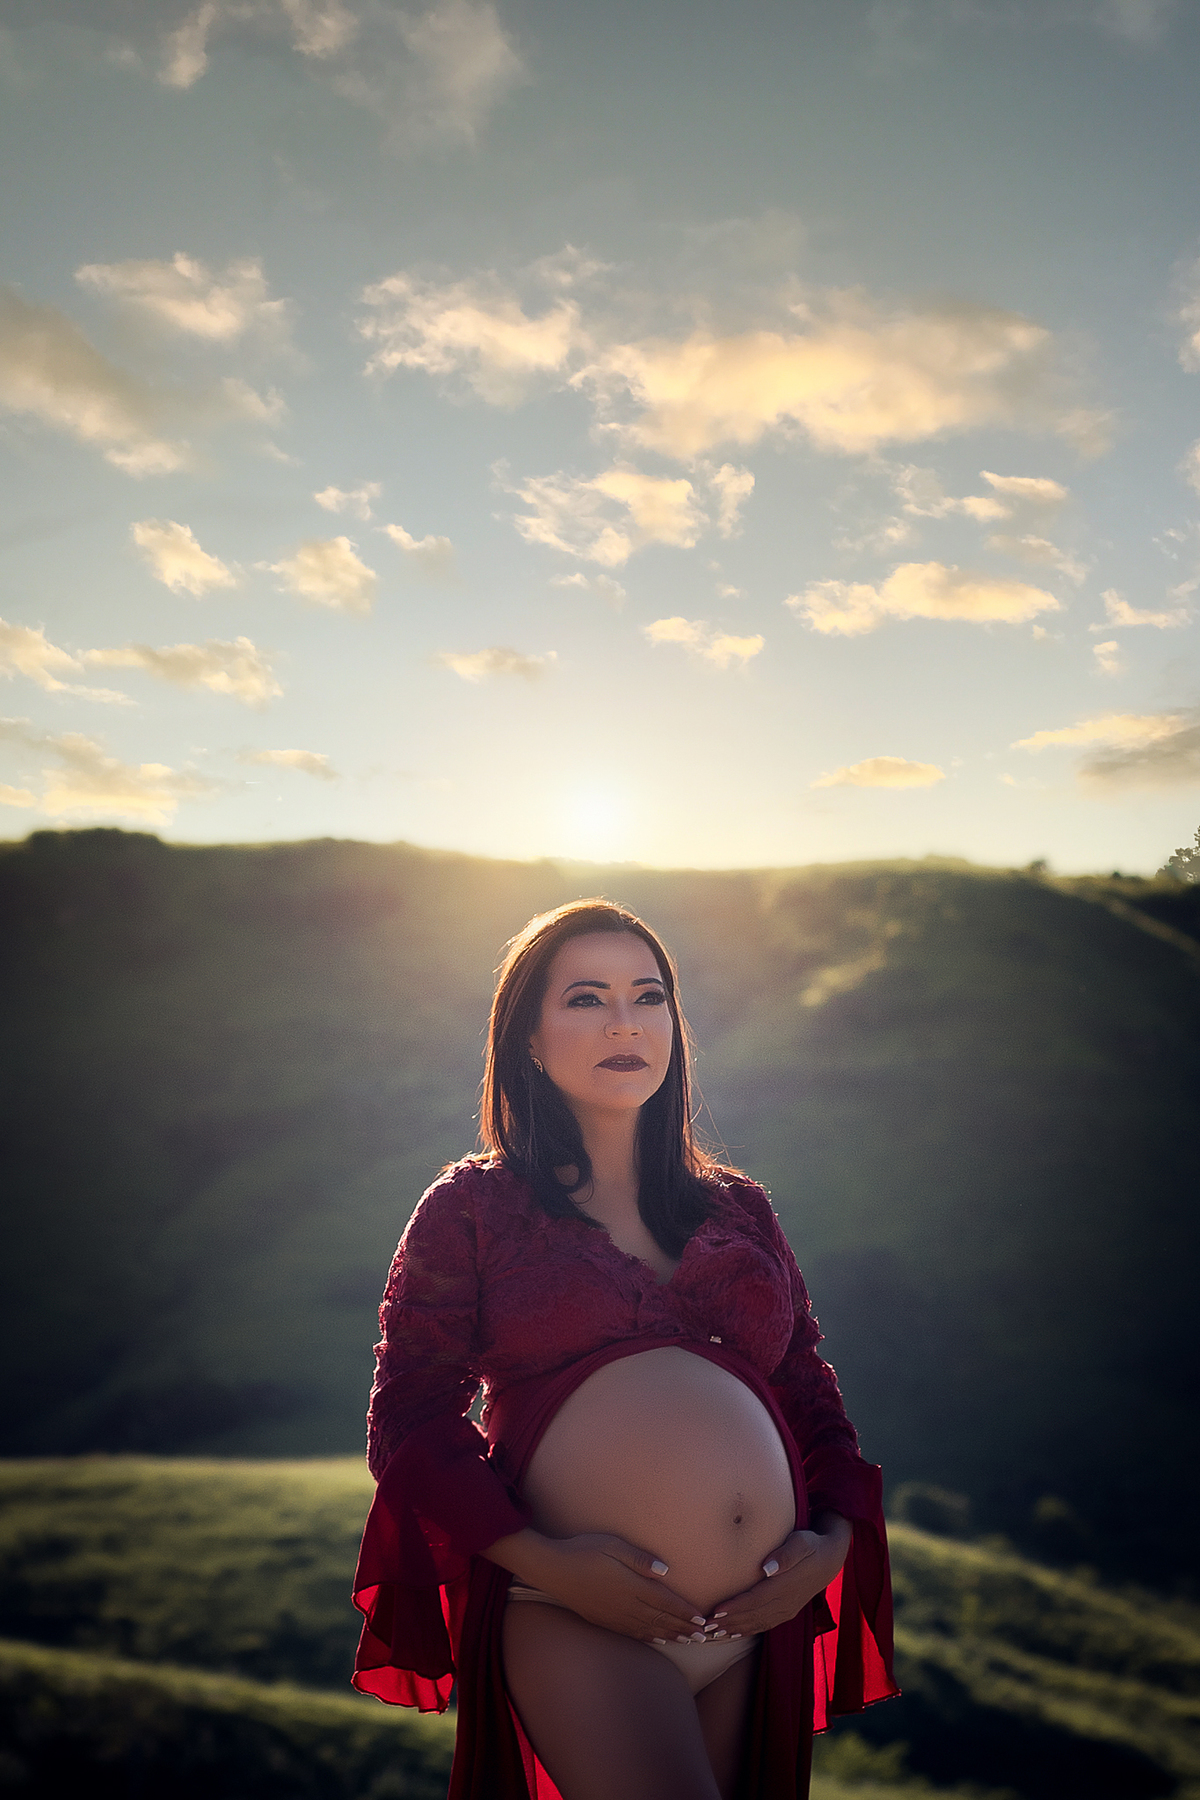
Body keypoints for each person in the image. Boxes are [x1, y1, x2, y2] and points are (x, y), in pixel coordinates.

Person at [352, 899, 897, 1800]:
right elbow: (409, 1420)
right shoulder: (473, 1208)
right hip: (575, 1614)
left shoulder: (739, 1209)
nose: (624, 1023)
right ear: (528, 1038)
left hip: (758, 1624)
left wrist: (831, 1544)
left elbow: (809, 1393)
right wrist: (544, 1561)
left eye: (648, 997)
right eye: (586, 999)